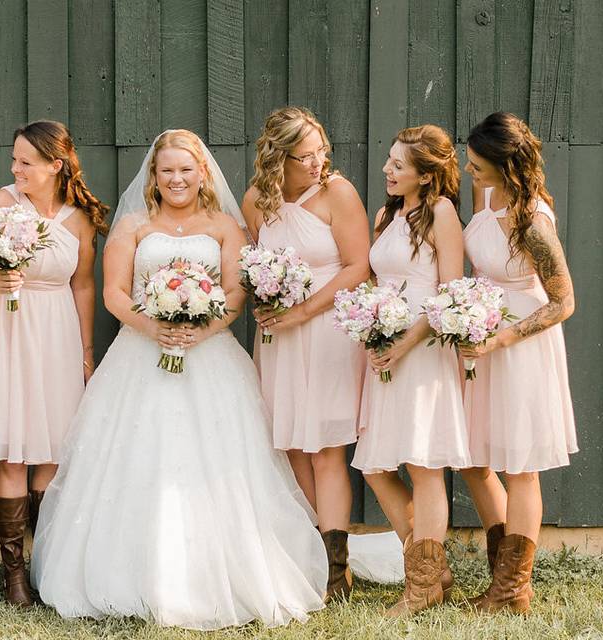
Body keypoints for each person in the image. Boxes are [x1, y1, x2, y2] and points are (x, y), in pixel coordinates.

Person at [29, 130, 327, 629]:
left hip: (210, 355)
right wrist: (155, 327)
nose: (176, 179)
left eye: (185, 169)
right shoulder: (133, 225)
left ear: (203, 173)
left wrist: (198, 331)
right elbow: (115, 294)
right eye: (167, 170)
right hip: (139, 355)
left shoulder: (227, 227)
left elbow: (234, 295)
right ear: (154, 176)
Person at [0, 120, 108, 606]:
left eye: (26, 162)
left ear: (56, 165)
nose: (16, 169)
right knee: (12, 449)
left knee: (51, 450)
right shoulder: (1, 204)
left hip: (57, 331)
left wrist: (86, 351)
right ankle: (14, 576)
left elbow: (83, 284)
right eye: (14, 160)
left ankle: (47, 566)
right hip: (6, 328)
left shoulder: (80, 218)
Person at [242, 106, 371, 600]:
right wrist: (266, 295)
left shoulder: (337, 193)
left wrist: (303, 311)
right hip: (279, 337)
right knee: (292, 444)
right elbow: (252, 262)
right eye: (305, 156)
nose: (317, 163)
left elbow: (358, 266)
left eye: (322, 152)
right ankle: (313, 556)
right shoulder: (257, 200)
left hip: (327, 330)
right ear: (278, 158)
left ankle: (336, 574)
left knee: (325, 449)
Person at [350, 124, 471, 616]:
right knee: (377, 465)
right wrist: (371, 329)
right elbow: (380, 281)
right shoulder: (385, 214)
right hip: (385, 349)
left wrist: (404, 343)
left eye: (399, 165)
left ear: (426, 175)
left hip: (422, 351)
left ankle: (420, 588)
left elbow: (449, 292)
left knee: (423, 467)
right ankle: (429, 565)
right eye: (389, 160)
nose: (387, 170)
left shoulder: (441, 214)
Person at [459, 111, 577, 614]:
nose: (469, 170)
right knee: (472, 458)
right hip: (481, 334)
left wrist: (502, 339)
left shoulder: (532, 221)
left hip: (520, 347)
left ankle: (512, 589)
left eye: (477, 164)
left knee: (520, 466)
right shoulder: (485, 197)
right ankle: (498, 574)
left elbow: (563, 302)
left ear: (505, 167)